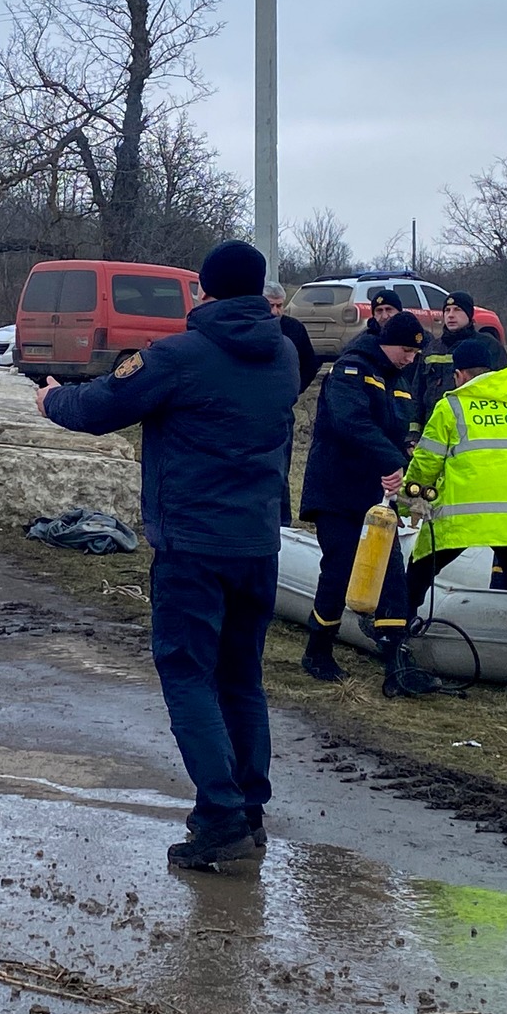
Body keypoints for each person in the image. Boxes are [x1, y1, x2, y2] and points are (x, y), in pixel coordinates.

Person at [38, 241, 299, 870]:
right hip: (259, 542)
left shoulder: (179, 356)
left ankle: (220, 819)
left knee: (186, 673)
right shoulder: (285, 352)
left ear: (203, 291)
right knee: (241, 678)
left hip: (192, 545)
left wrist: (51, 399)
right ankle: (250, 812)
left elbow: (101, 407)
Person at [401, 335, 507, 707]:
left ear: (460, 375)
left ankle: (394, 640)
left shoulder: (451, 409)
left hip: (466, 515)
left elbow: (426, 465)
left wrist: (407, 503)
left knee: (418, 573)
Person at [297, 313, 440, 695]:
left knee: (392, 574)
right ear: (385, 341)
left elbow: (394, 433)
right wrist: (389, 460)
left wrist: (401, 464)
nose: (411, 358)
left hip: (377, 495)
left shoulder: (399, 378)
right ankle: (318, 649)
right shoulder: (351, 370)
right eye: (406, 350)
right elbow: (351, 423)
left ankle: (395, 660)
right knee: (341, 567)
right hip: (336, 490)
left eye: (416, 352)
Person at [415, 291, 501, 421]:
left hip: (474, 423)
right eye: (447, 310)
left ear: (469, 314)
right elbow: (418, 391)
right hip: (434, 424)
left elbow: (501, 387)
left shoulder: (489, 346)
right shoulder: (432, 348)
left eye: (457, 310)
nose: (450, 315)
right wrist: (414, 431)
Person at [264, 281, 321, 393]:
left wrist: (297, 389)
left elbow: (309, 364)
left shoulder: (295, 328)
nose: (275, 311)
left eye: (279, 305)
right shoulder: (252, 327)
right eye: (271, 306)